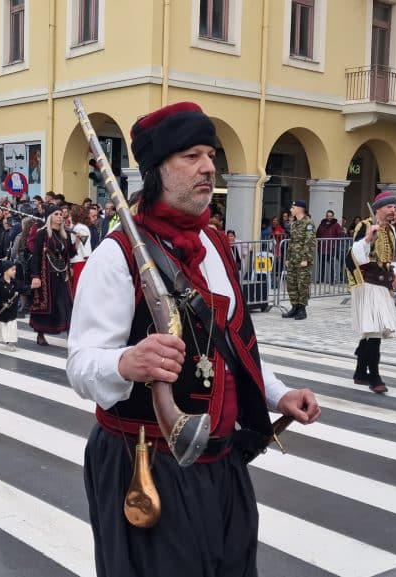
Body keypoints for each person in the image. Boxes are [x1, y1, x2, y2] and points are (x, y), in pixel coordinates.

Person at [67, 102, 320, 577]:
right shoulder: (116, 255)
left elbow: (232, 348)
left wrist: (279, 394)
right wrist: (126, 364)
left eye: (210, 154)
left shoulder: (218, 247)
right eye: (191, 156)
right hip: (145, 463)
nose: (208, 167)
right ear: (157, 169)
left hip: (223, 464)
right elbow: (80, 365)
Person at [347, 192, 396, 394]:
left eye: (394, 207)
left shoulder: (392, 230)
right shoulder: (365, 226)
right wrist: (368, 239)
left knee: (372, 329)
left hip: (382, 282)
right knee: (375, 330)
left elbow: (391, 256)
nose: (393, 210)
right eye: (389, 207)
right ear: (378, 208)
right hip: (367, 282)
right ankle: (374, 376)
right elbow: (355, 254)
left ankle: (361, 371)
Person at [29, 211, 74, 346]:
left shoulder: (65, 234)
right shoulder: (43, 234)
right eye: (56, 214)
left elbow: (68, 253)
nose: (59, 217)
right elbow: (36, 255)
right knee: (46, 305)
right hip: (46, 275)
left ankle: (70, 335)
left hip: (61, 275)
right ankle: (40, 333)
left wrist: (76, 242)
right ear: (50, 217)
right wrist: (35, 276)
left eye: (61, 214)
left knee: (66, 304)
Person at [282, 199, 315, 320]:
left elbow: (309, 242)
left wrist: (305, 258)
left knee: (302, 284)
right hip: (293, 259)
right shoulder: (294, 224)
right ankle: (294, 307)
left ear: (300, 209)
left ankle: (302, 309)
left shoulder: (309, 223)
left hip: (302, 260)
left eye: (293, 208)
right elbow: (292, 242)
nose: (291, 210)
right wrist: (288, 258)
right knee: (291, 284)